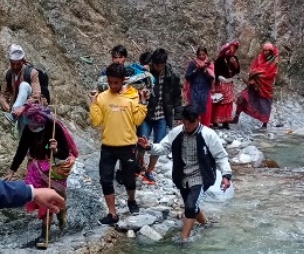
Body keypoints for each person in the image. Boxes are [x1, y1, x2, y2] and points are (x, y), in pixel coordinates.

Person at [149, 106, 233, 242]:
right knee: (192, 204)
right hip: (182, 176)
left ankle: (184, 240)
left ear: (198, 120)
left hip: (202, 176)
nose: (187, 126)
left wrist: (226, 175)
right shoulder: (176, 132)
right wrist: (150, 147)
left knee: (190, 206)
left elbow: (221, 156)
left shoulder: (209, 135)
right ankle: (207, 224)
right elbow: (163, 147)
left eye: (190, 123)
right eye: (184, 122)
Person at [7, 104, 76, 245]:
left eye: (33, 123)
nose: (30, 126)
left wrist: (55, 149)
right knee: (41, 199)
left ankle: (46, 233)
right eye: (28, 123)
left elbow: (64, 153)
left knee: (50, 200)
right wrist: (12, 170)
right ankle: (47, 230)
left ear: (40, 121)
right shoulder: (28, 128)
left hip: (53, 169)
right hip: (36, 167)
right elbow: (21, 150)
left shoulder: (54, 128)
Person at [90, 63, 148, 224]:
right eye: (110, 83)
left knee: (129, 178)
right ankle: (112, 213)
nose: (113, 86)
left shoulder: (133, 95)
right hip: (108, 146)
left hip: (128, 145)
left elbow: (137, 120)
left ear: (123, 80)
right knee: (105, 179)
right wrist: (94, 103)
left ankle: (131, 200)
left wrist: (142, 103)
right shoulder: (102, 97)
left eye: (116, 82)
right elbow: (96, 121)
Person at [138, 49, 178, 184]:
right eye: (156, 65)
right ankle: (140, 164)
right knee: (142, 142)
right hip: (146, 115)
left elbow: (177, 96)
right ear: (153, 63)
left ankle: (149, 171)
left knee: (158, 145)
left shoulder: (171, 76)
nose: (159, 68)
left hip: (162, 115)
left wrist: (177, 114)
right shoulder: (145, 73)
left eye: (161, 65)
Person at [236, 42, 280, 128]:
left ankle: (264, 124)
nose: (266, 52)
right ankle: (236, 116)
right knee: (243, 97)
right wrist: (254, 75)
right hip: (254, 84)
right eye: (265, 50)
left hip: (266, 87)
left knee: (265, 105)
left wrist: (258, 74)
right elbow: (254, 68)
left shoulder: (274, 61)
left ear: (271, 52)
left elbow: (272, 73)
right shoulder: (259, 58)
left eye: (268, 51)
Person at [0, 44, 46, 122]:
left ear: (22, 61)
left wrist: (23, 107)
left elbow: (36, 95)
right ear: (10, 62)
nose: (15, 67)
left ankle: (13, 114)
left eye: (18, 64)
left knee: (24, 85)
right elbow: (2, 94)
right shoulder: (8, 74)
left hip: (31, 107)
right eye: (13, 64)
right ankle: (14, 114)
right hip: (17, 111)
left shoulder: (32, 73)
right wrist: (5, 104)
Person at [211, 42, 241, 129]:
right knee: (219, 102)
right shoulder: (220, 59)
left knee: (228, 103)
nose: (232, 51)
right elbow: (215, 72)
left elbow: (237, 71)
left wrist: (234, 64)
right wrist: (215, 82)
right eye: (231, 49)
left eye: (234, 49)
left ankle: (225, 122)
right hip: (220, 83)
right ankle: (215, 121)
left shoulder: (234, 59)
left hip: (229, 83)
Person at [183, 48, 215, 120]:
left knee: (204, 111)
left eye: (203, 54)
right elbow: (187, 77)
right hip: (194, 89)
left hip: (205, 90)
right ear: (197, 55)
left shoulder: (210, 64)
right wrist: (196, 70)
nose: (201, 56)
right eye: (199, 54)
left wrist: (204, 70)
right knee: (193, 109)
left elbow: (211, 78)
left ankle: (203, 127)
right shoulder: (193, 64)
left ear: (206, 54)